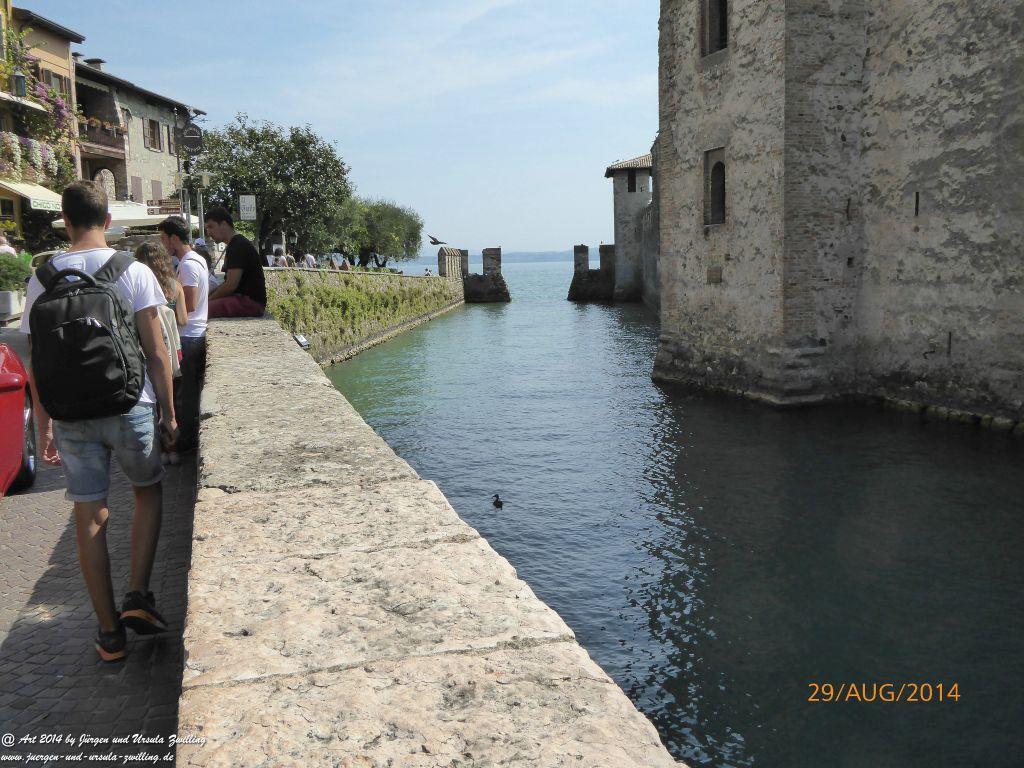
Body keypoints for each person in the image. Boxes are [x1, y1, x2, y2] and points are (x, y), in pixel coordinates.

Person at [20, 181, 177, 661]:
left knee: (89, 512)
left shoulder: (40, 279)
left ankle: (109, 634)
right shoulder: (132, 271)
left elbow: (36, 364)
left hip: (70, 414)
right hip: (130, 406)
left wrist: (42, 426)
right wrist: (169, 414)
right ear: (107, 220)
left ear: (64, 222)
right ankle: (137, 595)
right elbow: (156, 354)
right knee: (147, 491)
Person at [158, 216, 209, 454]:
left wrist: (163, 307)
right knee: (187, 392)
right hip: (193, 335)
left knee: (185, 394)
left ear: (175, 238)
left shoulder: (188, 265)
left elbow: (189, 305)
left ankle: (186, 442)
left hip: (189, 337)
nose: (163, 244)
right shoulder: (196, 260)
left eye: (164, 238)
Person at [133, 241, 183, 465]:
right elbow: (183, 319)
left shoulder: (137, 283)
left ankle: (157, 450)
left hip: (145, 354)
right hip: (172, 352)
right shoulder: (175, 286)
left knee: (152, 404)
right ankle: (172, 447)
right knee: (170, 403)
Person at [205, 207, 266, 318]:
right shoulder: (236, 244)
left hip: (249, 303)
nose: (208, 232)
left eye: (211, 226)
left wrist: (207, 300)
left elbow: (230, 285)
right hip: (245, 300)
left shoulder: (237, 246)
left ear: (223, 224)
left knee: (202, 310)